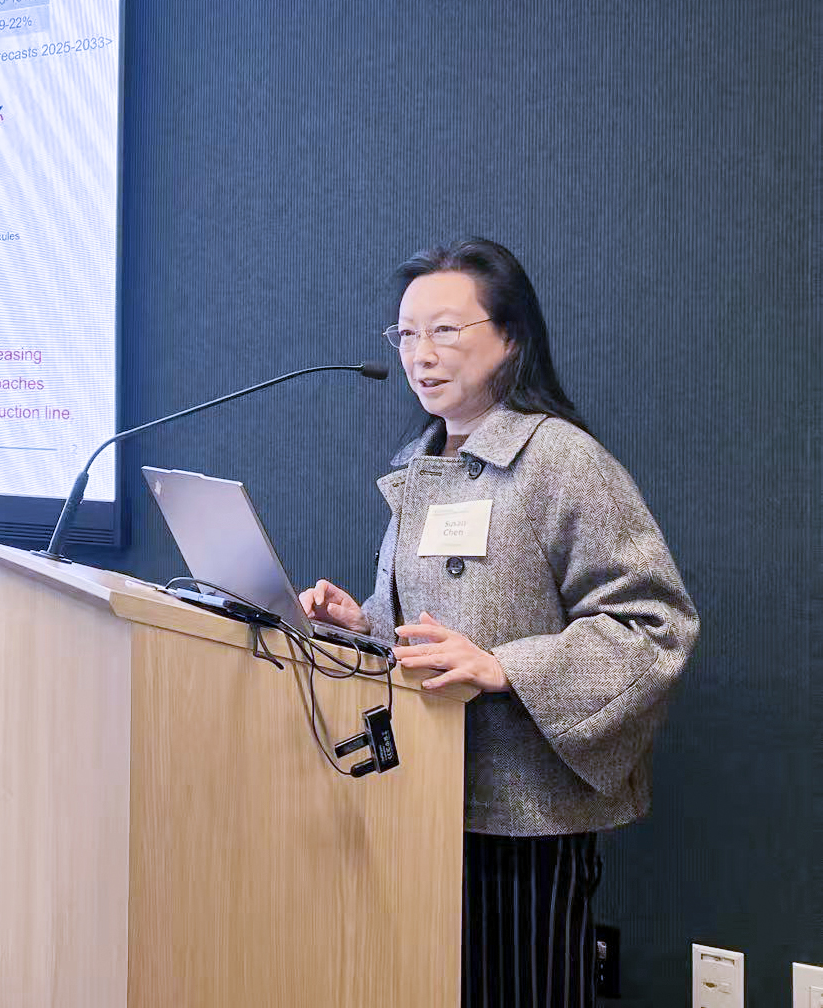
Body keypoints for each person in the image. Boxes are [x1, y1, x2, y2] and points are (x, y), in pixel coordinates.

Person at [299, 238, 697, 1008]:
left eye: (445, 330)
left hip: (523, 815)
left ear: (510, 336)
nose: (420, 354)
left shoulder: (561, 461)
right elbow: (442, 623)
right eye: (406, 334)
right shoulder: (420, 463)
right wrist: (365, 624)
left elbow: (655, 624)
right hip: (421, 792)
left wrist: (506, 665)